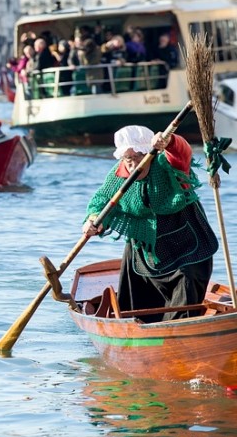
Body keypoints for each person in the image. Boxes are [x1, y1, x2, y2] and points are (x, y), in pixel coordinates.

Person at [82, 126, 218, 322]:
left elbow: (182, 151)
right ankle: (133, 329)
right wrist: (93, 219)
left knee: (188, 281)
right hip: (146, 247)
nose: (133, 165)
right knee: (134, 298)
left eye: (138, 157)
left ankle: (181, 332)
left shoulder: (168, 164)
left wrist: (169, 141)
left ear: (150, 154)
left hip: (187, 244)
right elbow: (101, 200)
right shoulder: (118, 174)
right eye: (128, 160)